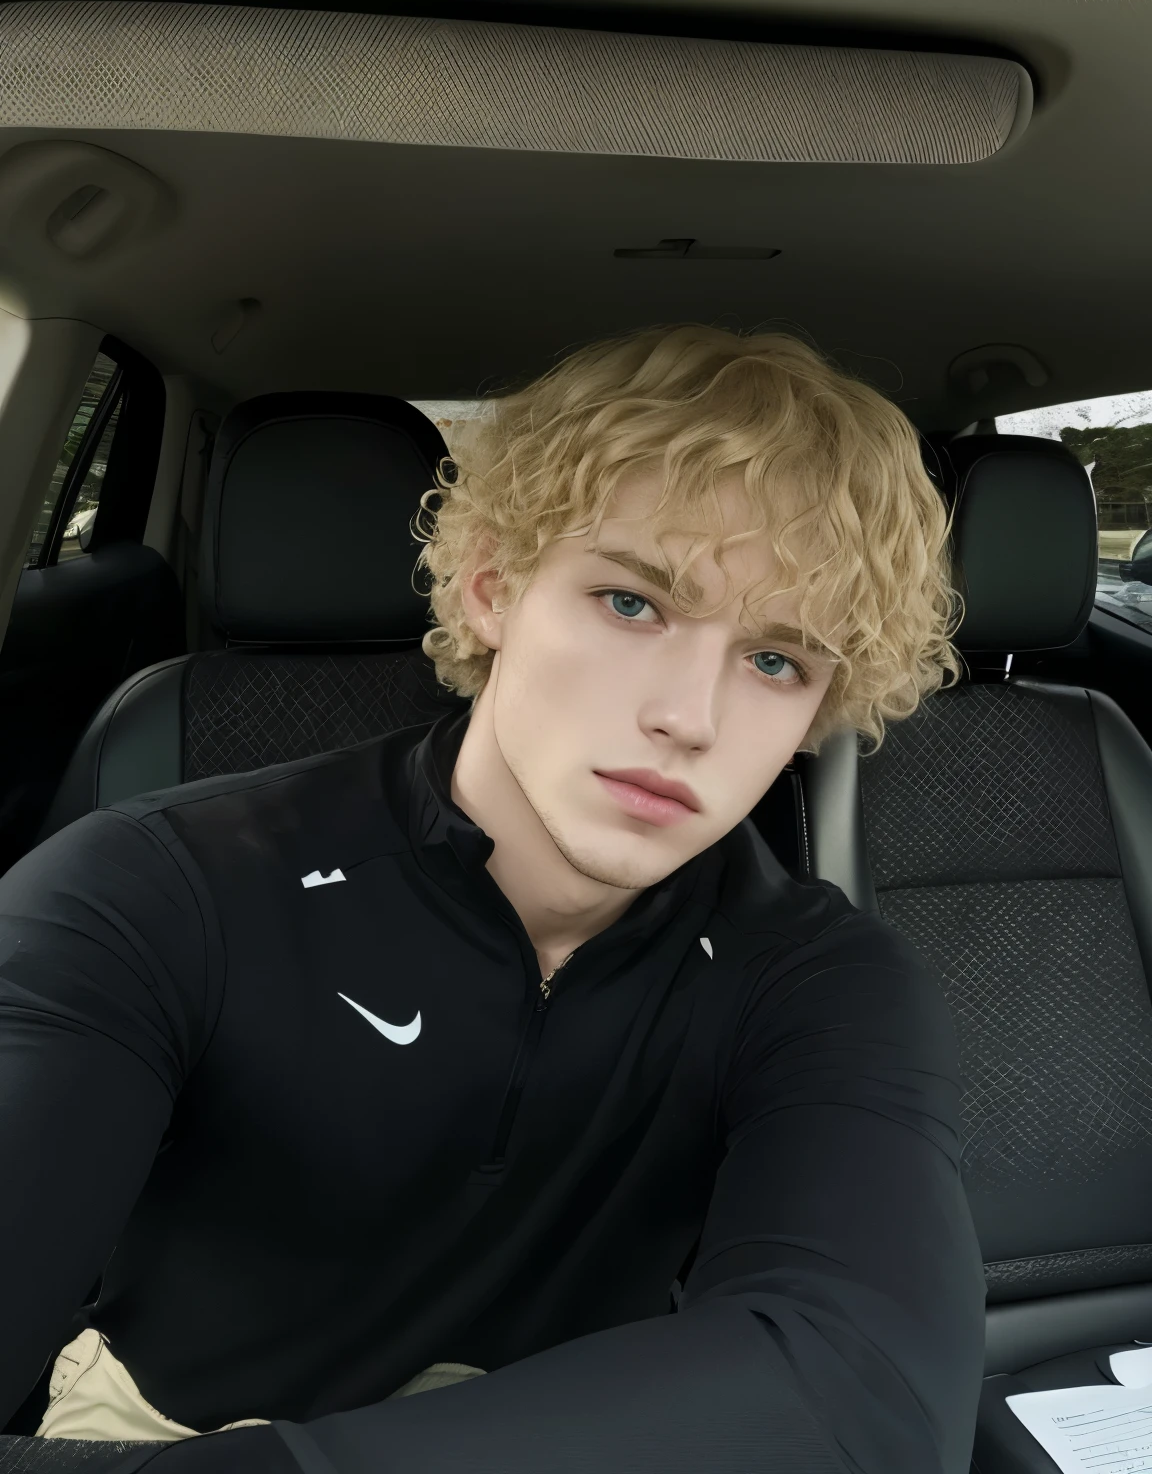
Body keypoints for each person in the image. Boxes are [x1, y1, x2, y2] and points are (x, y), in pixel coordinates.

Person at [0, 325, 986, 1474]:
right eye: (633, 603)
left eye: (777, 661)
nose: (690, 717)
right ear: (490, 592)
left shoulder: (819, 978)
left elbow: (866, 1393)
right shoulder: (155, 887)